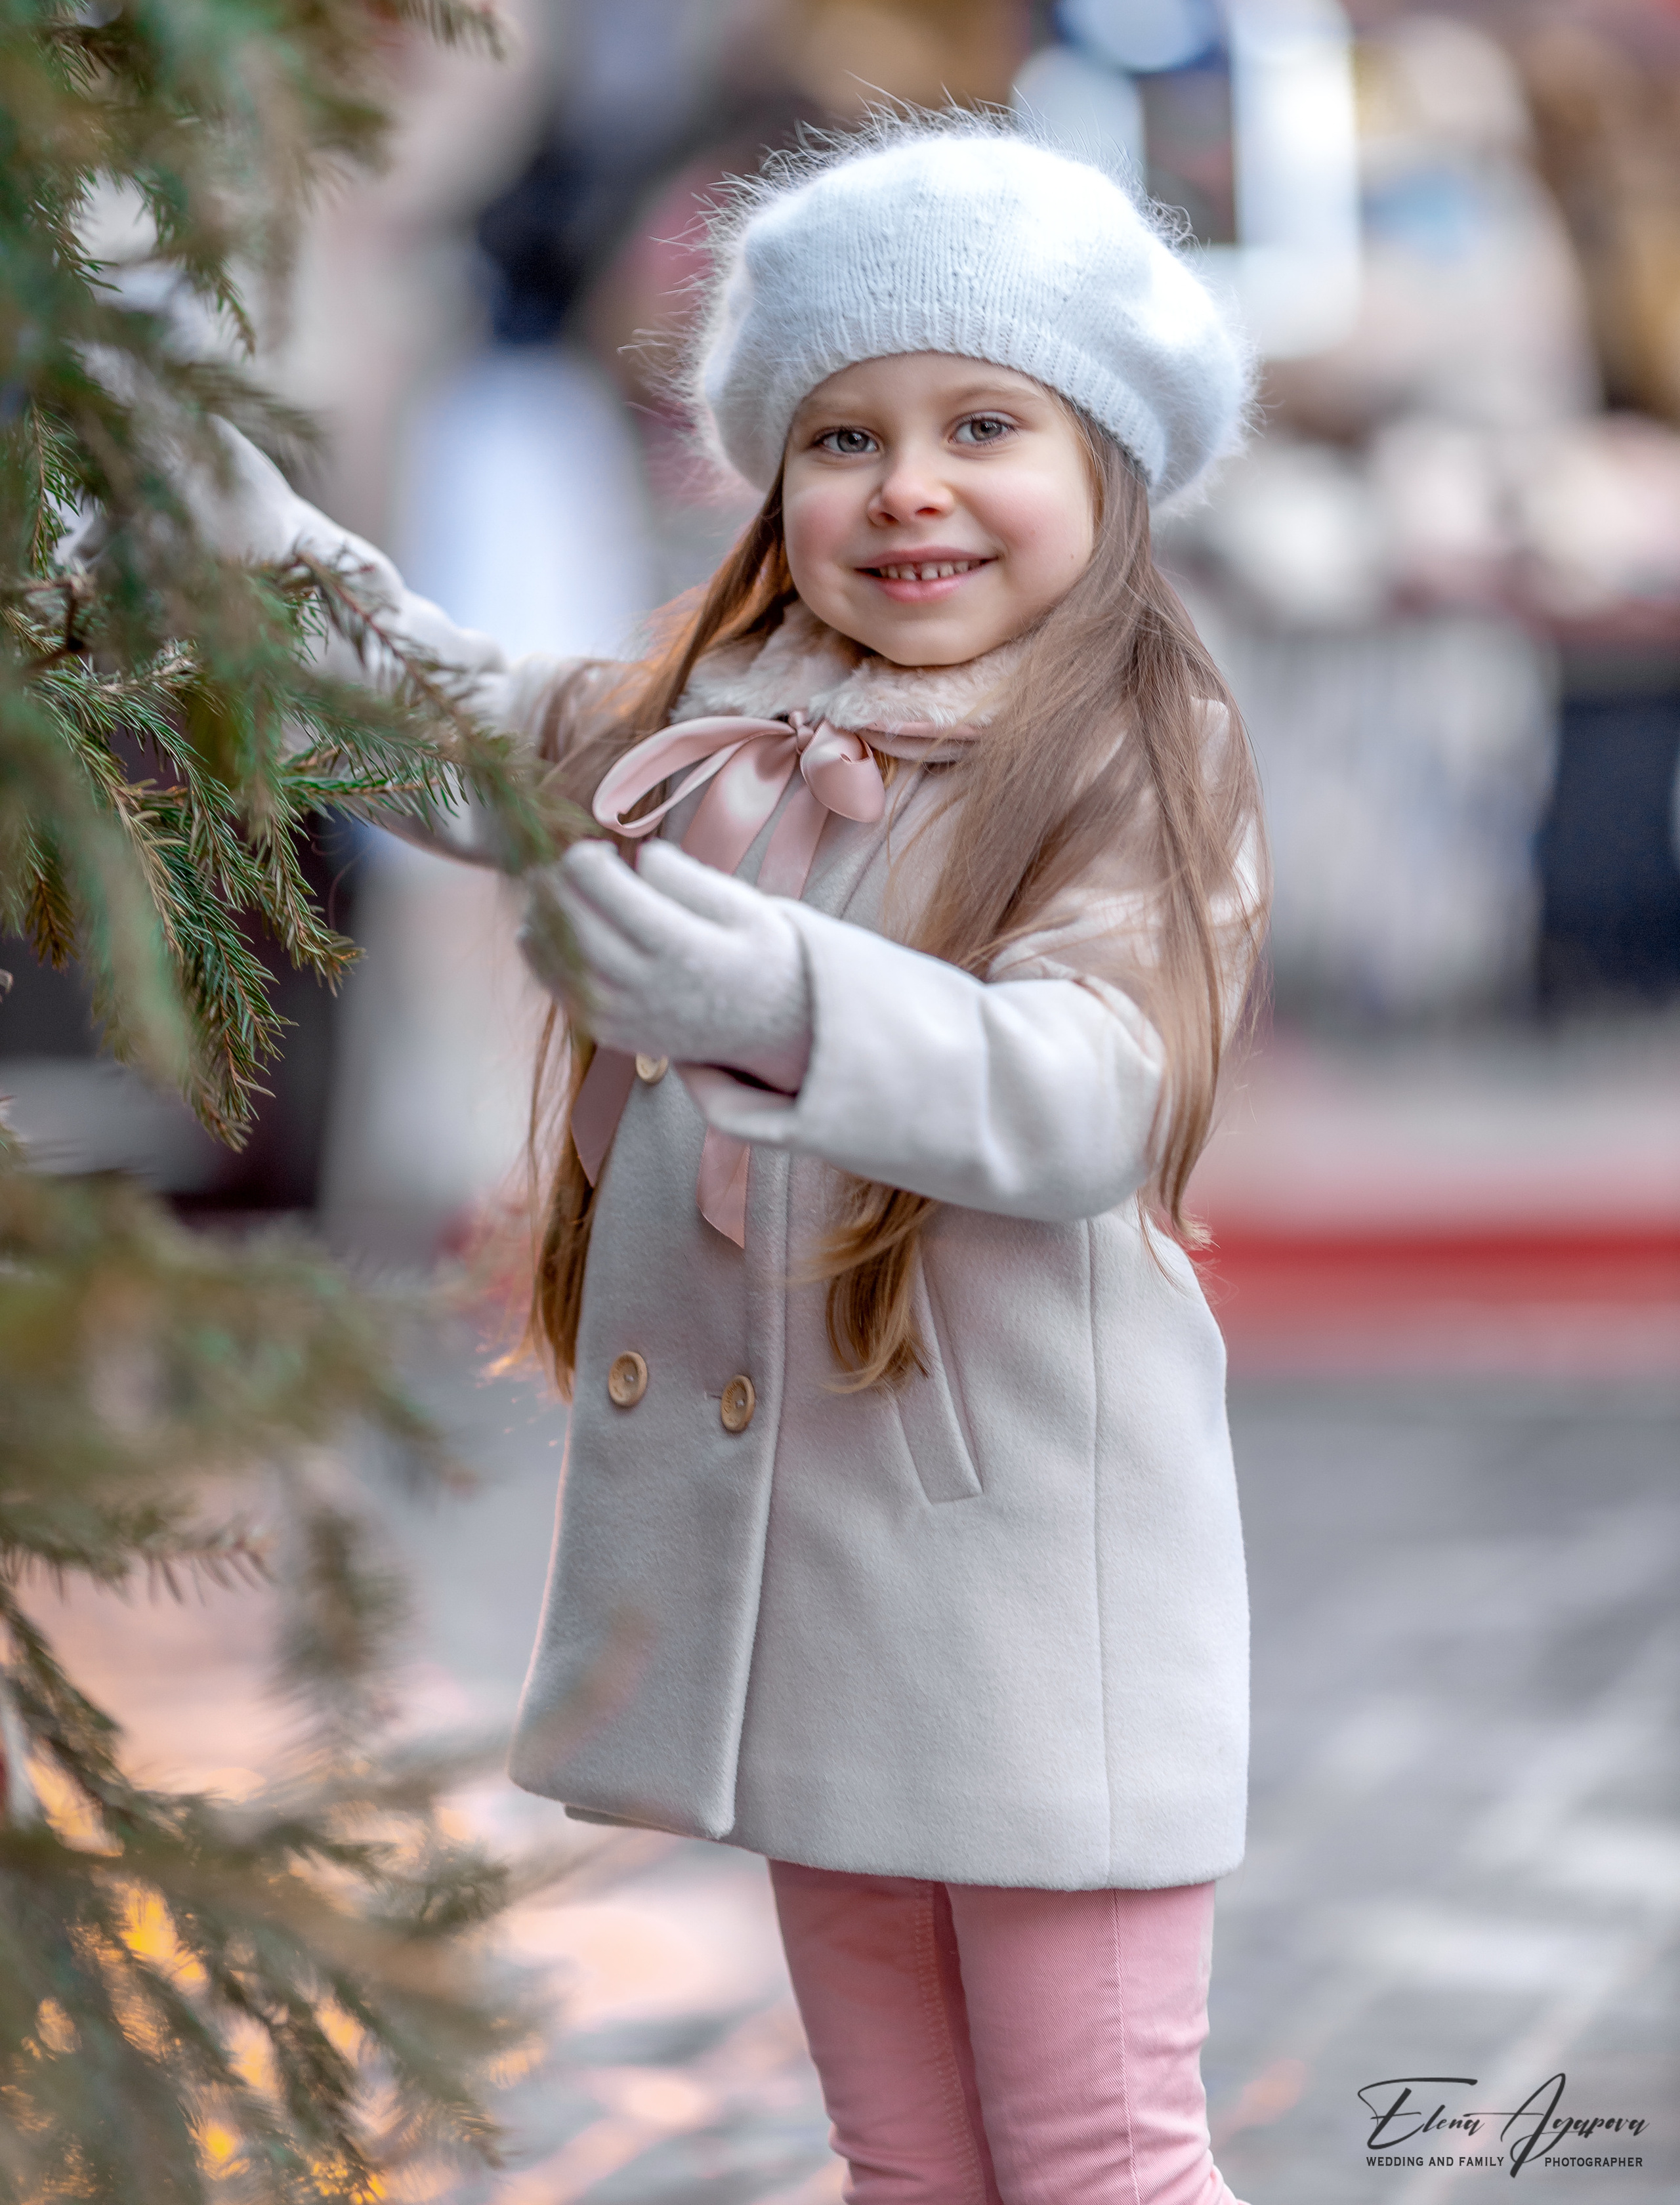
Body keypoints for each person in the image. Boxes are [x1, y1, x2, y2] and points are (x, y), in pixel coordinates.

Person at [219, 115, 1269, 2205]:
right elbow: (459, 712)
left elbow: (1086, 1094)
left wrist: (775, 1000)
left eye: (984, 421)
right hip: (816, 1598)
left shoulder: (1133, 751)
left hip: (1029, 1601)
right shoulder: (721, 721)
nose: (909, 489)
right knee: (898, 2150)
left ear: (1109, 465)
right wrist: (241, 546)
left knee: (1096, 2153)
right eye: (841, 437)